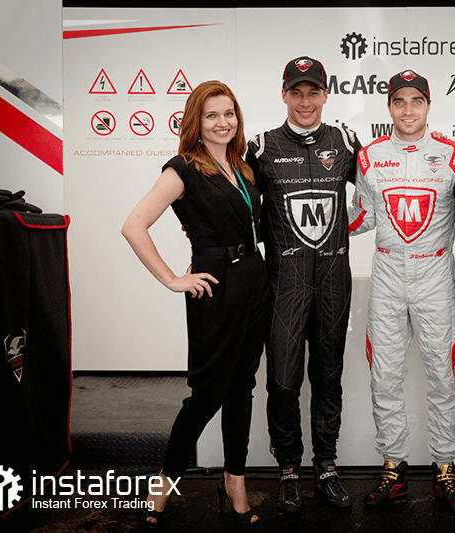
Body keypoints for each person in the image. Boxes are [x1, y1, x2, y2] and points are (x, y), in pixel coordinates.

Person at [122, 80, 269, 526]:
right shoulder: (183, 168)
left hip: (254, 280)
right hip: (215, 285)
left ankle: (234, 480)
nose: (223, 122)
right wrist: (172, 279)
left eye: (229, 113)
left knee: (242, 387)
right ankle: (164, 481)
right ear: (196, 123)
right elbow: (134, 225)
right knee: (207, 394)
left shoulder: (242, 167)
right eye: (212, 115)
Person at [245, 56, 362, 513]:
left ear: (326, 95)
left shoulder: (345, 142)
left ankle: (326, 466)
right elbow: (238, 207)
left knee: (329, 376)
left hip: (334, 281)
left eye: (314, 92)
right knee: (282, 380)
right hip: (284, 285)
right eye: (297, 92)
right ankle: (289, 469)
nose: (305, 101)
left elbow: (378, 195)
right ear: (284, 95)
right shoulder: (261, 148)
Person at [347, 70, 455, 513]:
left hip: (435, 275)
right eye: (400, 101)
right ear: (389, 107)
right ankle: (393, 469)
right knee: (384, 378)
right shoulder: (370, 156)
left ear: (429, 105)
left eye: (417, 101)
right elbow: (359, 217)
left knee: (444, 378)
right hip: (388, 276)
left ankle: (445, 470)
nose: (408, 109)